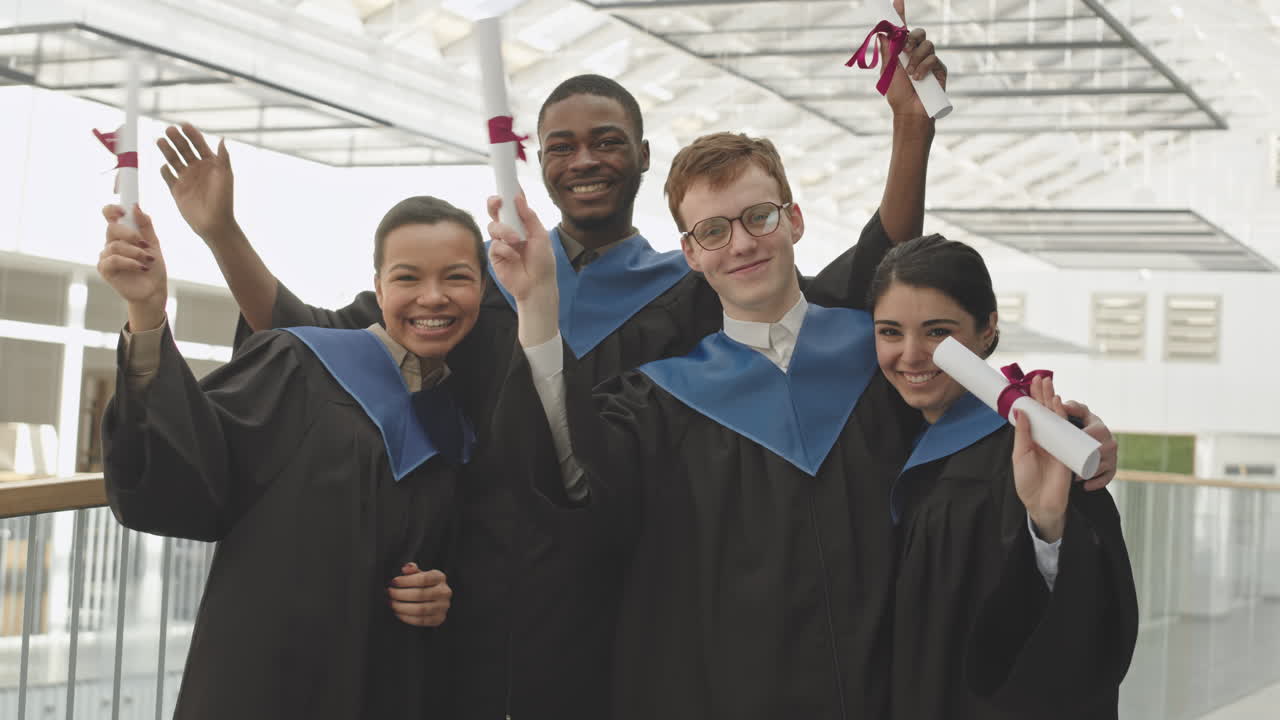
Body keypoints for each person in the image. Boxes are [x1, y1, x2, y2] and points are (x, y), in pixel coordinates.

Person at [151, 35, 949, 718]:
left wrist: (911, 134)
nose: (585, 160)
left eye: (607, 140)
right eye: (561, 146)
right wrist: (222, 234)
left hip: (621, 592)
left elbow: (857, 286)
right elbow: (315, 335)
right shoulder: (477, 289)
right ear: (536, 162)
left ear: (641, 155)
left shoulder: (692, 285)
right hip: (474, 585)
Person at [486, 130, 1126, 718]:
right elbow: (569, 478)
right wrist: (539, 304)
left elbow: (985, 473)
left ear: (793, 220)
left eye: (758, 216)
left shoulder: (886, 366)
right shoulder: (661, 405)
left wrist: (1068, 438)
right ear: (690, 253)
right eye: (712, 230)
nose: (740, 243)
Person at [97, 196, 485, 719]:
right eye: (408, 278)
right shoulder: (298, 366)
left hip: (388, 685)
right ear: (379, 289)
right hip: (270, 684)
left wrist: (439, 591)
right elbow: (190, 472)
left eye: (456, 277)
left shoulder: (455, 422)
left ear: (484, 289)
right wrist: (147, 315)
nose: (432, 297)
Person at [868, 235, 1138, 719]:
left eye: (937, 333)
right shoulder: (882, 440)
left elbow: (1084, 634)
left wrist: (1048, 526)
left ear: (988, 329)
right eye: (890, 331)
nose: (910, 355)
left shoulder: (1044, 449)